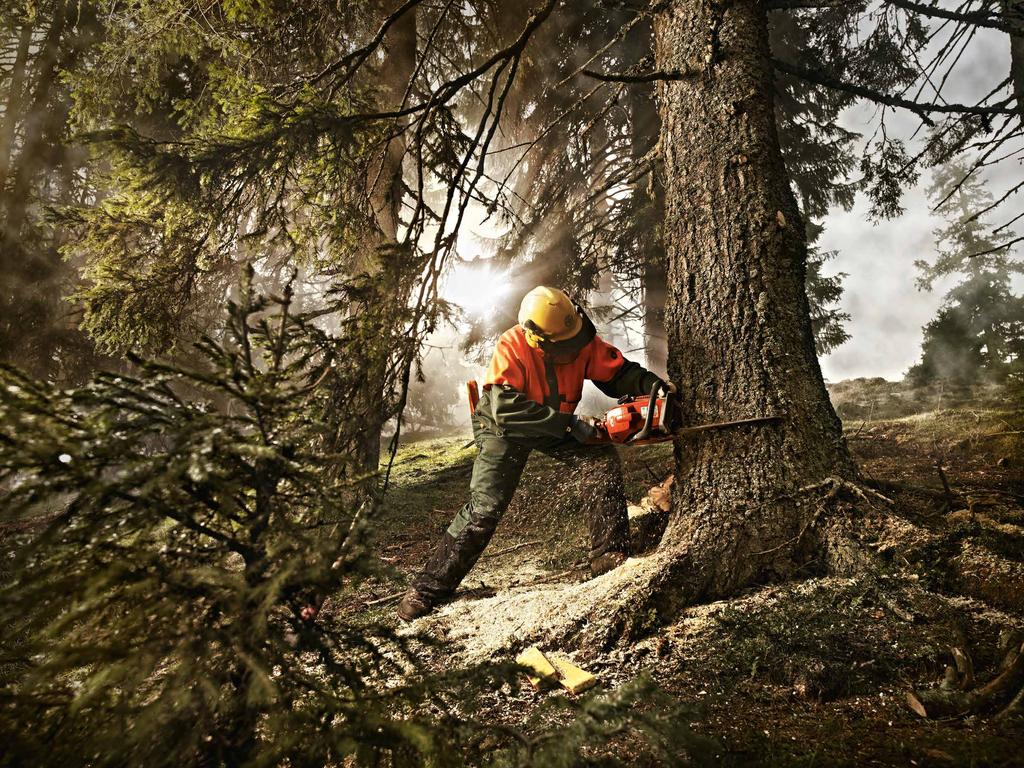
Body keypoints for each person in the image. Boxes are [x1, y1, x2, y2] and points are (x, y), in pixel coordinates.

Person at [397, 286, 673, 622]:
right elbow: (504, 407)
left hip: (555, 421)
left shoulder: (579, 337)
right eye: (565, 344)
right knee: (485, 508)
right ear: (538, 339)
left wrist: (653, 387)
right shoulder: (512, 346)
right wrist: (569, 425)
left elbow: (618, 373)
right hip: (506, 426)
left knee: (598, 461)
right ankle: (427, 589)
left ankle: (608, 553)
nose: (574, 348)